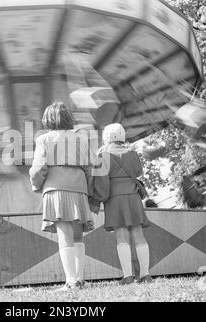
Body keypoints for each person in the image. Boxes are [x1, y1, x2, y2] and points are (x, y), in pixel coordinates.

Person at [29, 102, 94, 290]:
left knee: (64, 233)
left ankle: (71, 281)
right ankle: (80, 279)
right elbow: (90, 168)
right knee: (78, 235)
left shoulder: (44, 139)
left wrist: (36, 185)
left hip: (55, 187)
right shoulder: (82, 139)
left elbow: (39, 168)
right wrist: (88, 191)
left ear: (47, 119)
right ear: (69, 119)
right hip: (79, 187)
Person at [90, 123, 152, 285]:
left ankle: (128, 276)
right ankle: (145, 275)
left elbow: (101, 185)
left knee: (121, 237)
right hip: (133, 197)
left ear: (106, 137)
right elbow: (138, 172)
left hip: (114, 199)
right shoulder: (133, 154)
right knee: (139, 235)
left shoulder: (101, 156)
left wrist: (95, 200)